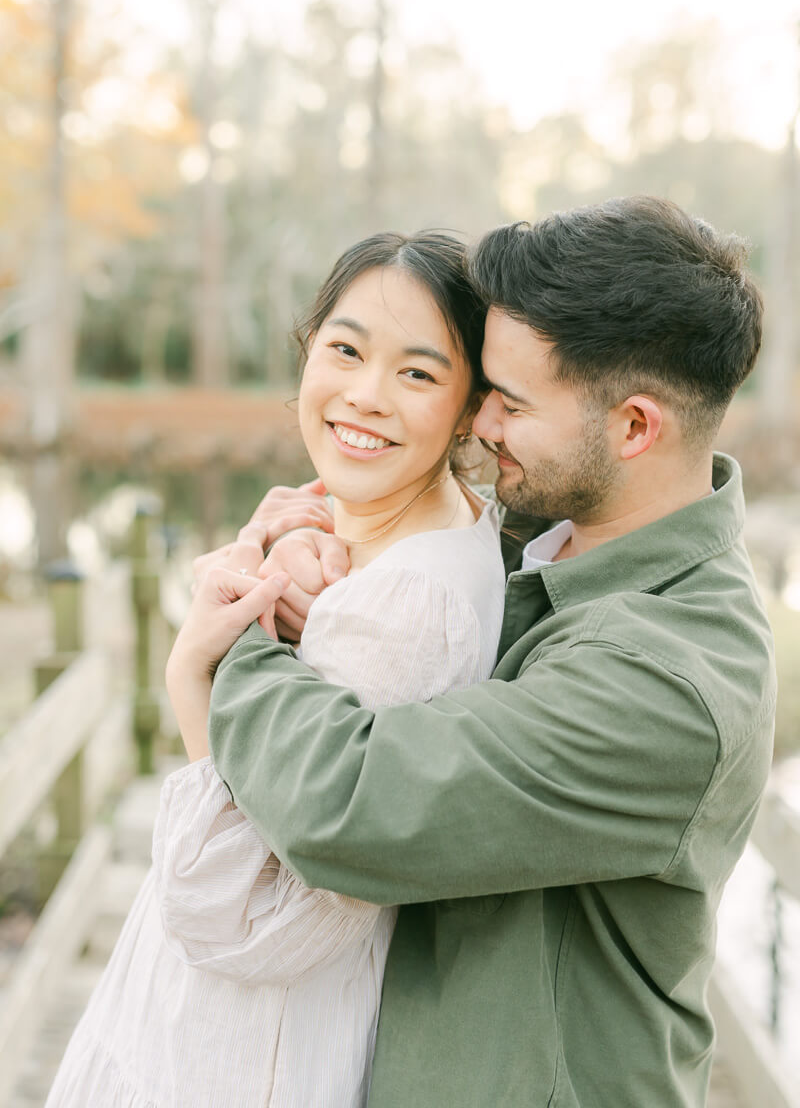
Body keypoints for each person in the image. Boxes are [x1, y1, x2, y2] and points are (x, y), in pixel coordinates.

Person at [191, 197, 775, 1107]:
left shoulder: (668, 681)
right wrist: (298, 553)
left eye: (509, 400)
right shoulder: (551, 540)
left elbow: (351, 802)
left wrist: (238, 638)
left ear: (633, 428)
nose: (479, 422)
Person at [44, 231, 507, 1108]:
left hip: (241, 1057)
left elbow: (251, 916)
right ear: (306, 353)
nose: (365, 397)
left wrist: (195, 677)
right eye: (344, 350)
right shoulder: (379, 526)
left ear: (467, 409)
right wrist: (278, 543)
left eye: (417, 373)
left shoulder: (407, 612)